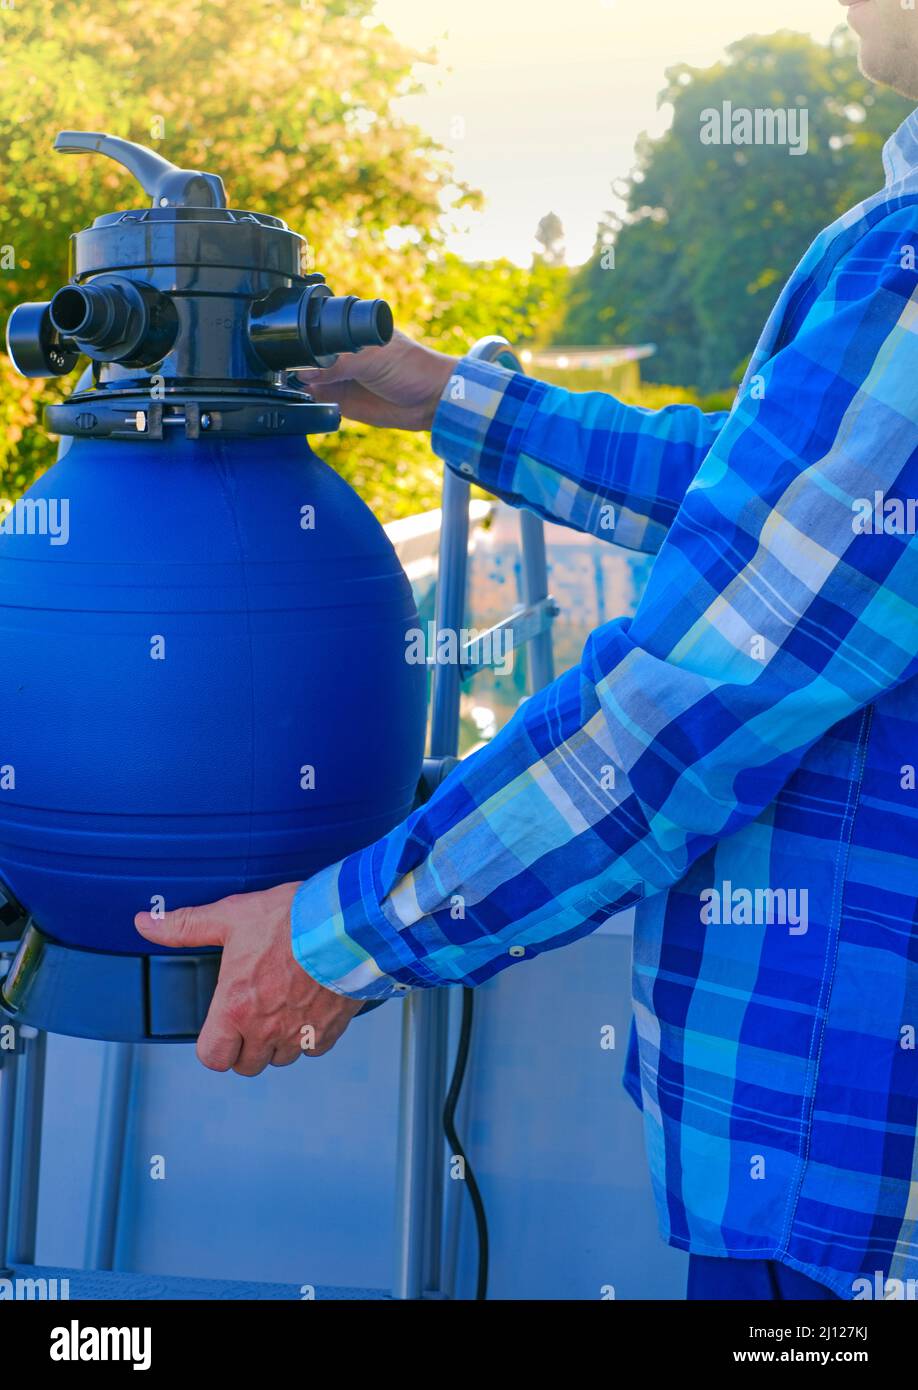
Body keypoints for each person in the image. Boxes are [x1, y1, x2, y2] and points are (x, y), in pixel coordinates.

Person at [136, 0, 918, 1302]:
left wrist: (336, 937)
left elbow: (669, 723)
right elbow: (759, 492)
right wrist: (442, 392)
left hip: (845, 1193)